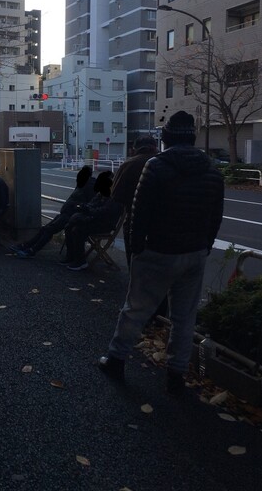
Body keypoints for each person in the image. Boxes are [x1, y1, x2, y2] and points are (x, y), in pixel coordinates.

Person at [98, 111, 224, 394]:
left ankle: (116, 359)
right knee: (184, 317)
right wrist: (205, 245)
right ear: (192, 139)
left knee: (135, 309)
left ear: (166, 138)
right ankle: (176, 375)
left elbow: (139, 211)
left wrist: (137, 247)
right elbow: (216, 215)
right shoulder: (211, 169)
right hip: (194, 252)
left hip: (157, 249)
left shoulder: (155, 166)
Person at [12, 165, 96, 258]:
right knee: (45, 229)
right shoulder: (83, 184)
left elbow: (87, 204)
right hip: (67, 213)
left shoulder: (89, 186)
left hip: (71, 215)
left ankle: (32, 250)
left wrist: (76, 208)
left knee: (49, 230)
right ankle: (27, 246)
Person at [111, 136, 159, 267]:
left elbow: (116, 196)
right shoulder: (166, 163)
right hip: (165, 224)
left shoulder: (129, 165)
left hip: (135, 221)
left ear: (134, 149)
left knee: (135, 263)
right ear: (155, 147)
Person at [62, 170, 123, 271]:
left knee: (77, 229)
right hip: (95, 219)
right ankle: (72, 256)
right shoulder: (102, 192)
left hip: (105, 224)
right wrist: (85, 207)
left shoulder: (115, 195)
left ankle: (80, 261)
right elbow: (93, 203)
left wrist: (88, 210)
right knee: (69, 227)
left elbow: (105, 211)